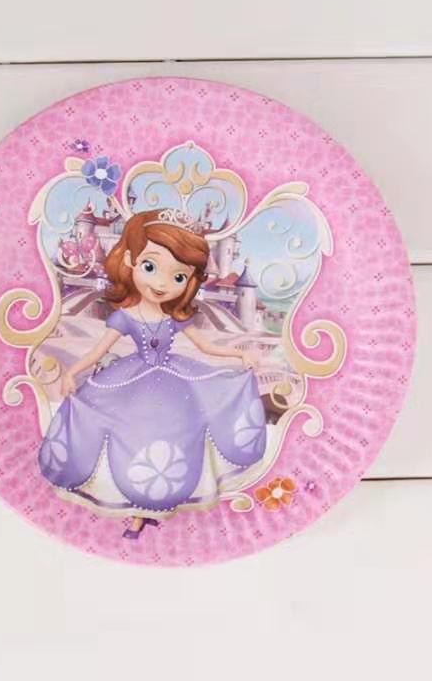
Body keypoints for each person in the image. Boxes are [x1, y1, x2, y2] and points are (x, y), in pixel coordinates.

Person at [38, 208, 267, 539]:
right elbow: (98, 352)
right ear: (130, 261)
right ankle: (136, 513)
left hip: (175, 381)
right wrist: (72, 371)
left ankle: (156, 507)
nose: (162, 283)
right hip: (132, 381)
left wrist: (239, 354)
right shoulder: (125, 316)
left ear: (190, 281)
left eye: (178, 277)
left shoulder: (175, 317)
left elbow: (205, 346)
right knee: (134, 438)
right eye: (150, 267)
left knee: (175, 440)